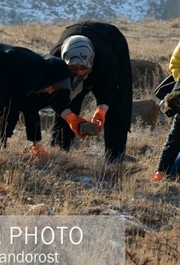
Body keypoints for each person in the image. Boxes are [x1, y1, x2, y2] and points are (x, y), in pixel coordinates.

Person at [49, 21, 133, 163]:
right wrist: (69, 116)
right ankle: (59, 154)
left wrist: (101, 109)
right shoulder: (54, 61)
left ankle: (114, 159)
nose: (80, 72)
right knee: (67, 100)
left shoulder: (107, 58)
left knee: (118, 105)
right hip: (73, 61)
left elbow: (111, 87)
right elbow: (53, 94)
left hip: (112, 41)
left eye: (83, 68)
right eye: (74, 69)